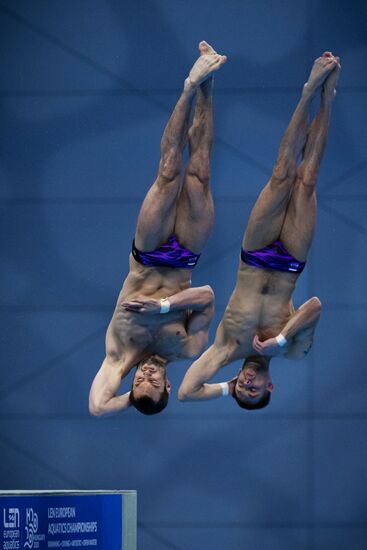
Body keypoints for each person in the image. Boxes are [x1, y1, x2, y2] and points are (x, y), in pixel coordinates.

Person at [178, 52, 341, 410]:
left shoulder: (228, 349)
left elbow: (186, 391)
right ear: (271, 388)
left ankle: (308, 91)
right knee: (307, 180)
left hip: (255, 256)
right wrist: (282, 338)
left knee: (283, 175)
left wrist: (225, 387)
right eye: (254, 391)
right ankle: (326, 99)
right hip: (289, 262)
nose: (248, 385)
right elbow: (314, 306)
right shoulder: (294, 352)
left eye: (242, 390)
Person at [89, 42, 227, 416]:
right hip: (184, 257)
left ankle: (189, 86)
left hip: (148, 255)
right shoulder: (187, 348)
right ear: (168, 384)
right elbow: (207, 295)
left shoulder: (119, 354)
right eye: (152, 383)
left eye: (138, 383)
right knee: (199, 174)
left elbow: (98, 408)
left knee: (168, 174)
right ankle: (208, 85)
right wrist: (163, 305)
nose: (145, 375)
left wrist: (130, 399)